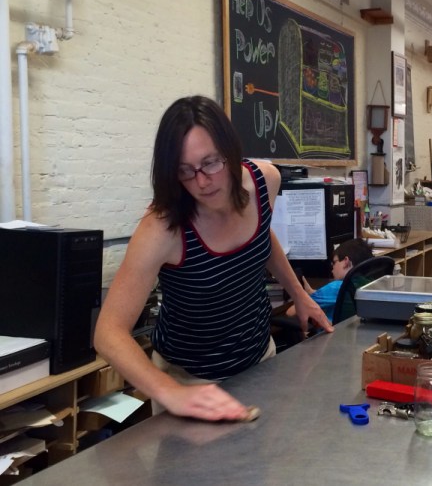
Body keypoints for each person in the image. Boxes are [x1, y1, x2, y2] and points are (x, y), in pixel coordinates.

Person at [94, 95, 333, 422]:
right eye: (185, 171)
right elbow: (108, 333)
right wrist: (170, 392)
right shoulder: (162, 228)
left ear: (231, 151)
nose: (202, 182)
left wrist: (299, 293)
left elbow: (262, 235)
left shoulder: (265, 181)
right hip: (189, 382)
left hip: (259, 359)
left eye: (211, 163)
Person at [287, 238, 373, 322]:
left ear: (346, 262)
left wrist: (297, 295)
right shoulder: (368, 283)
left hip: (331, 335)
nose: (332, 268)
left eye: (334, 262)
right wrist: (311, 293)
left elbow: (290, 312)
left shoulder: (336, 287)